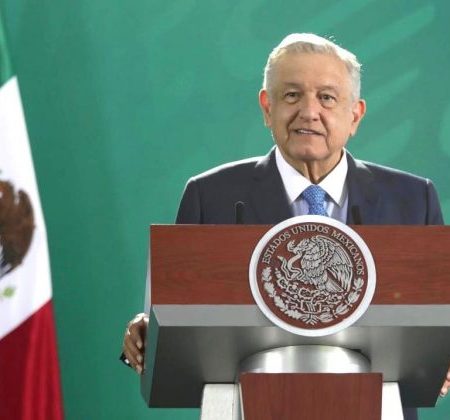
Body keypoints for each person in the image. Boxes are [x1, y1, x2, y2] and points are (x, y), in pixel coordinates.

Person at [122, 33, 449, 401]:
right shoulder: (210, 196)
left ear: (355, 115)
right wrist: (151, 331)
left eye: (327, 97)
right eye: (292, 95)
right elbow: (180, 318)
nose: (309, 111)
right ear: (267, 107)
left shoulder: (412, 200)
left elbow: (439, 316)